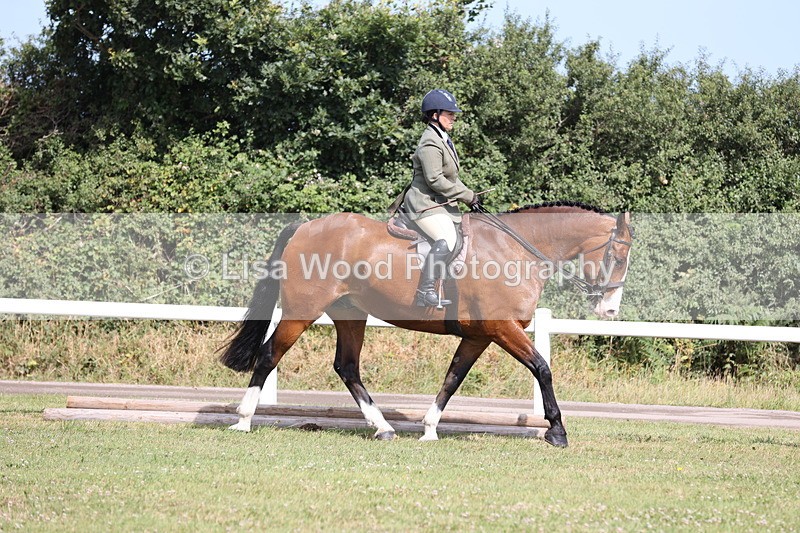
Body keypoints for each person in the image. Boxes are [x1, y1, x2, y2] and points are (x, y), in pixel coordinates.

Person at [403, 89, 481, 307]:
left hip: (439, 203)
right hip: (424, 204)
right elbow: (435, 180)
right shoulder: (430, 142)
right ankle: (424, 291)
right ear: (434, 114)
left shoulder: (443, 138)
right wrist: (467, 196)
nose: (454, 117)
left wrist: (471, 197)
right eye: (449, 113)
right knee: (446, 238)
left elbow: (452, 178)